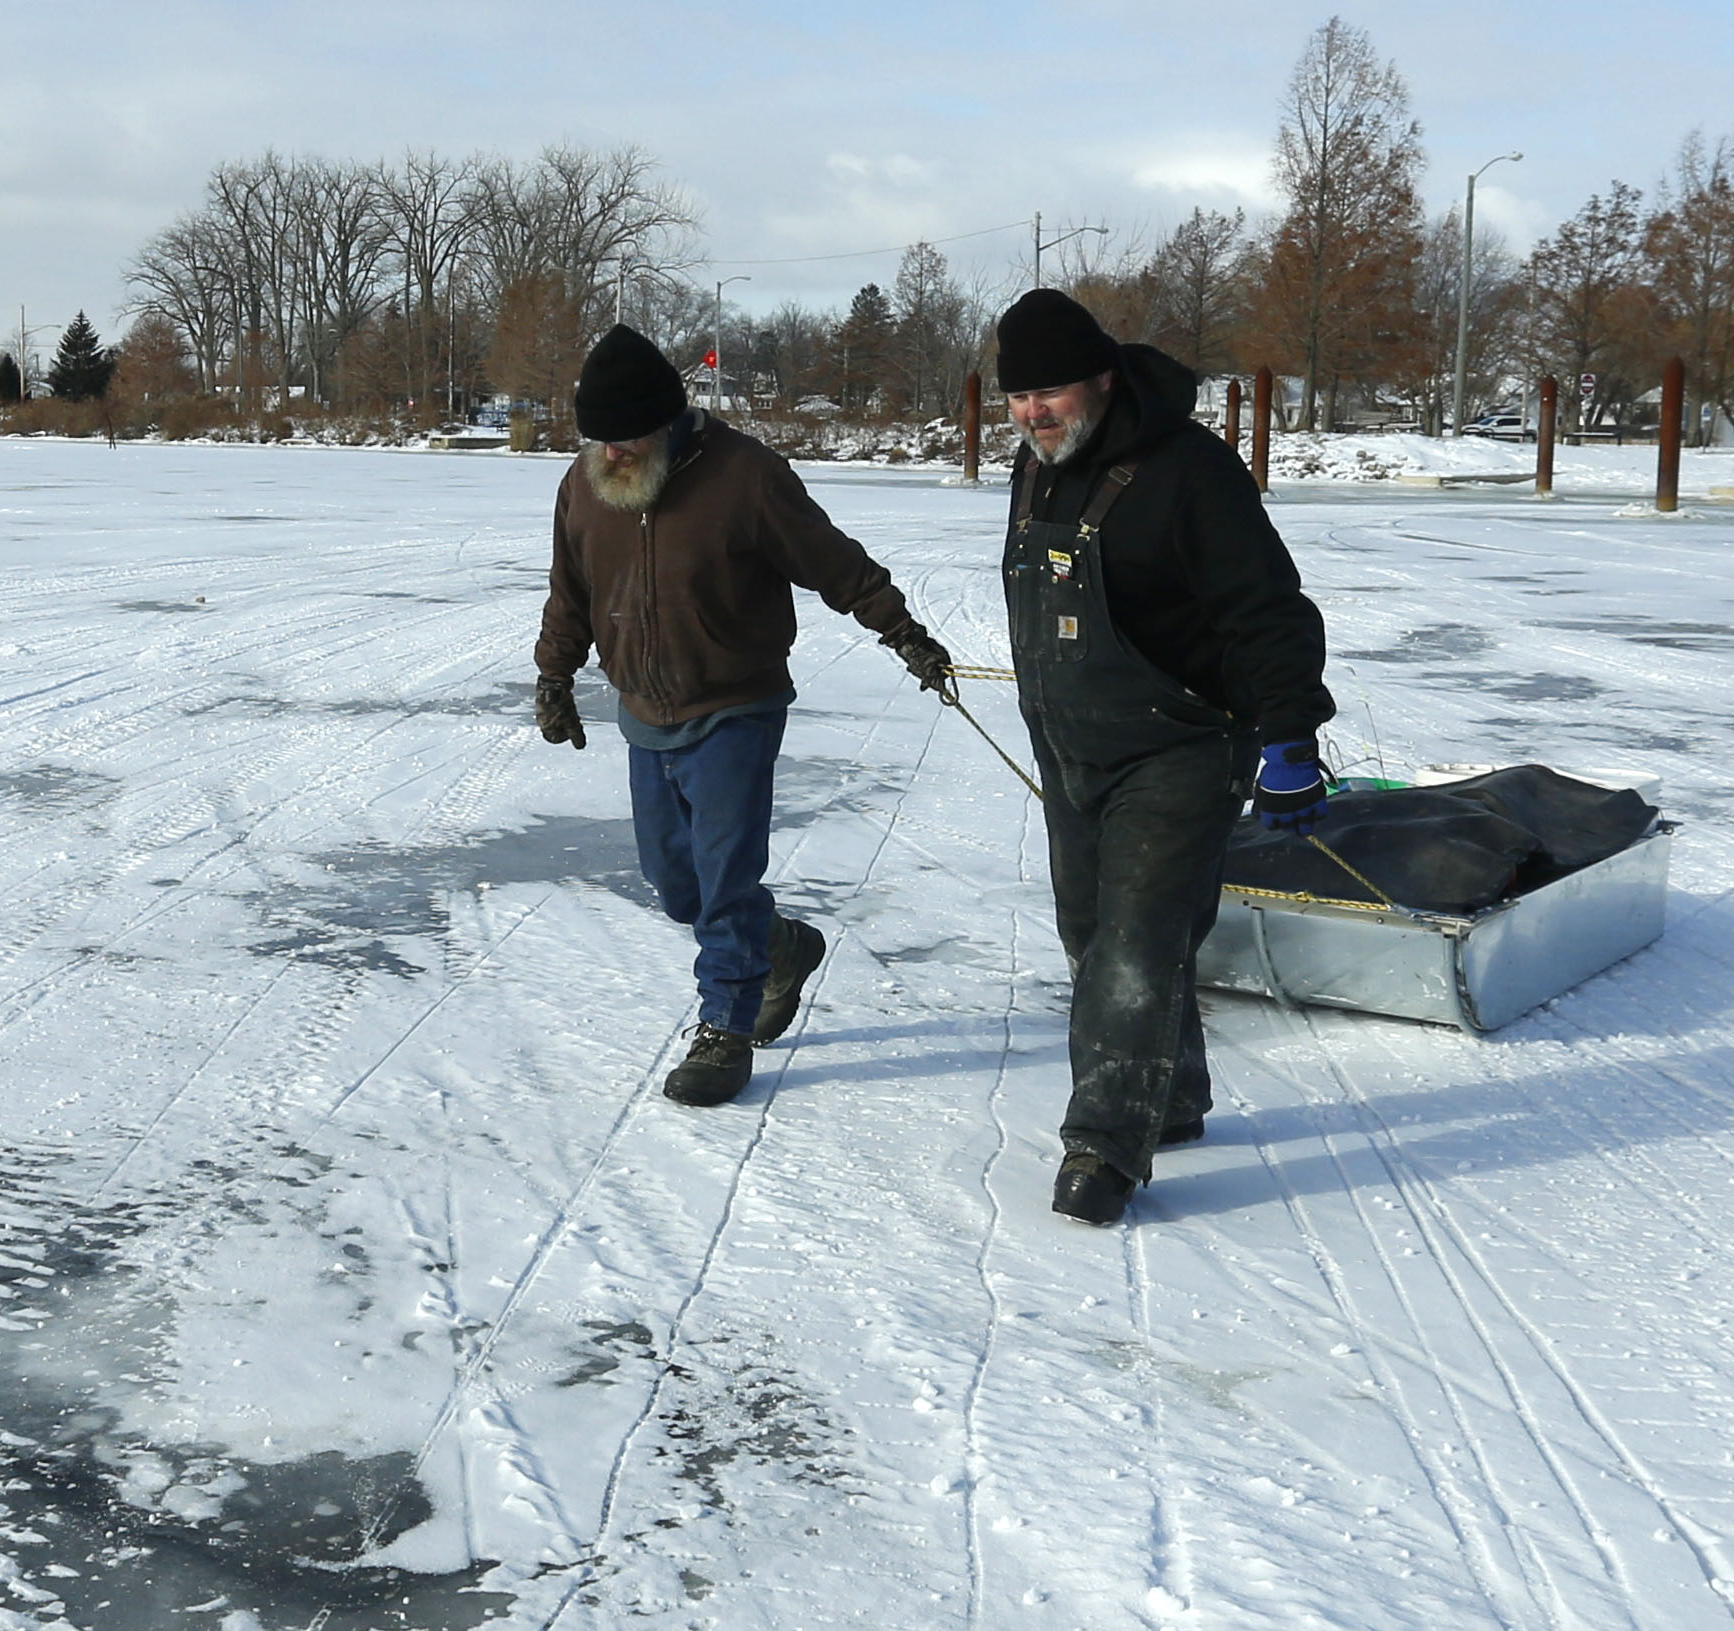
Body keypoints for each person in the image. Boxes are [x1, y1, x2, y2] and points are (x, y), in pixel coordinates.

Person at [533, 324, 951, 1106]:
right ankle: (782, 946)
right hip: (643, 711)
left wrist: (903, 633)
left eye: (622, 438)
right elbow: (572, 591)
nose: (610, 454)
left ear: (663, 422)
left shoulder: (745, 476)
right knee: (677, 887)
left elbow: (835, 564)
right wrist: (553, 676)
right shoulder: (583, 484)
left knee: (724, 881)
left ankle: (724, 1026)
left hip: (735, 704)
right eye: (597, 439)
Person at [991, 288, 1335, 1223]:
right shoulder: (1037, 468)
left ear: (1100, 378)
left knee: (1135, 944)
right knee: (1090, 935)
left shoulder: (1191, 472)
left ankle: (1104, 1145)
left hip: (1180, 744)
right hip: (1071, 746)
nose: (1032, 413)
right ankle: (1169, 1098)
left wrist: (1290, 733)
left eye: (1049, 391)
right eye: (1017, 397)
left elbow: (1265, 608)